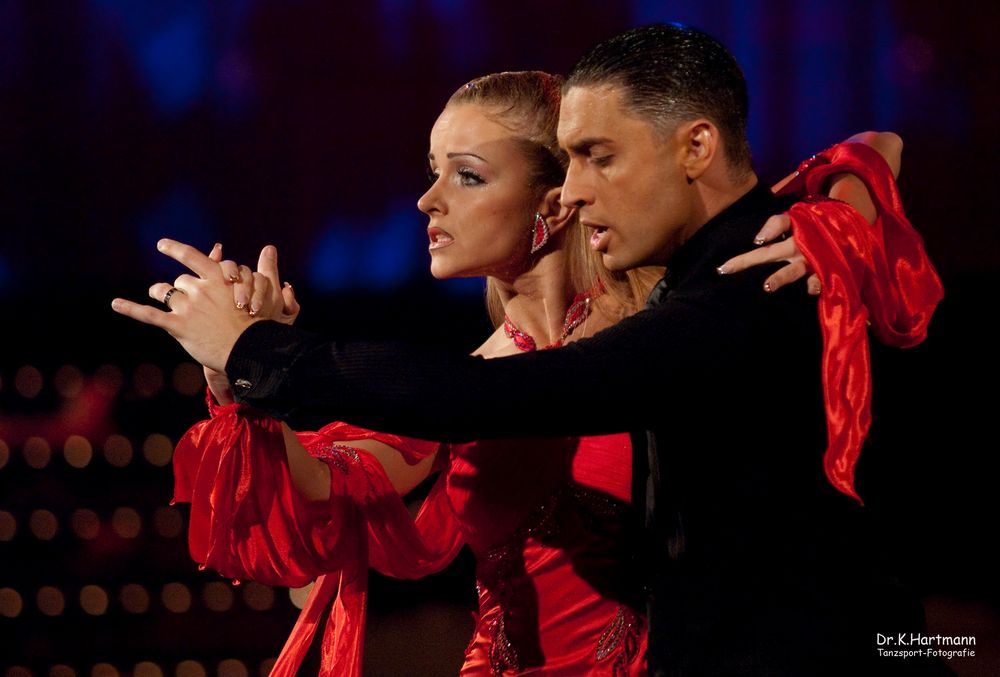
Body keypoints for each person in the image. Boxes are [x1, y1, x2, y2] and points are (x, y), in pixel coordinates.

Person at [114, 25, 944, 675]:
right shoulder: (494, 366)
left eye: (467, 174)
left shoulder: (689, 311)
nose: (427, 198)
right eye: (432, 170)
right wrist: (238, 373)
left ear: (553, 203)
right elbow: (323, 526)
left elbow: (878, 142)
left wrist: (845, 211)